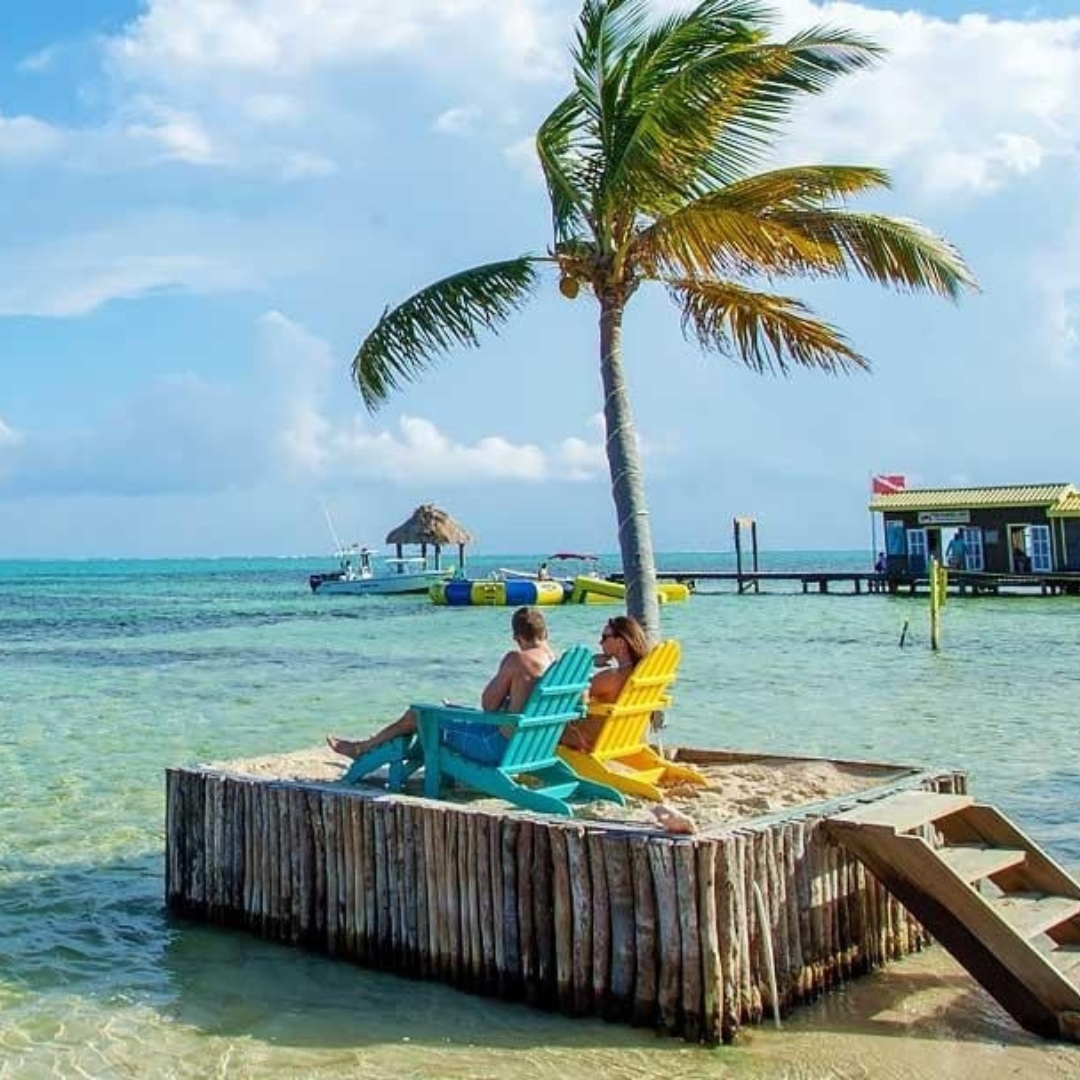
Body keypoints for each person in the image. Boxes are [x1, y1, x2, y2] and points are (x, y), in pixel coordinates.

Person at [327, 606, 556, 767]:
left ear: (517, 637)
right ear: (545, 632)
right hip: (533, 748)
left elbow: (488, 704)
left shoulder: (518, 660)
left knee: (418, 715)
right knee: (445, 714)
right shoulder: (558, 664)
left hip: (496, 748)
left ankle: (361, 749)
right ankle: (376, 748)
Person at [560, 614, 650, 752]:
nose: (600, 643)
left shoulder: (611, 678)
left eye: (605, 637)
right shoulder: (641, 674)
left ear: (621, 643)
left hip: (589, 739)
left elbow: (569, 697)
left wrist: (585, 665)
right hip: (624, 738)